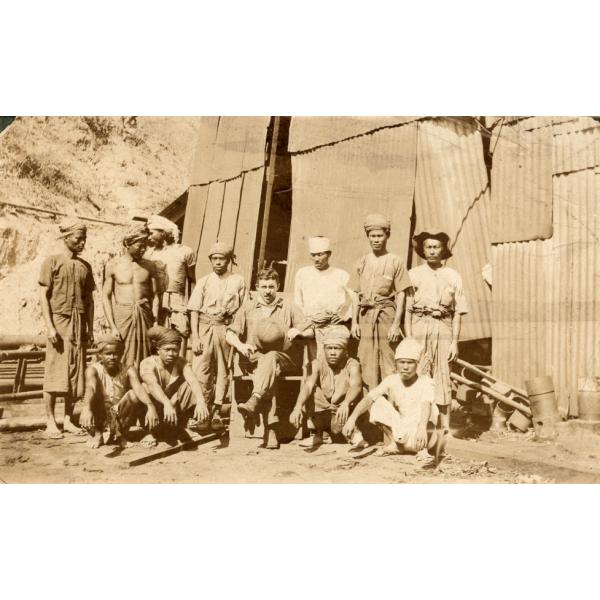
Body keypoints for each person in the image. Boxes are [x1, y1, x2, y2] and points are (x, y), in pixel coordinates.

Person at [225, 266, 312, 449]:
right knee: (268, 367)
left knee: (271, 358)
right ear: (257, 287)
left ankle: (257, 403)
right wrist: (241, 346)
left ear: (278, 286)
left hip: (285, 358)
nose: (267, 291)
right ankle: (270, 428)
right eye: (263, 287)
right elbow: (229, 334)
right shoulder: (248, 308)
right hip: (255, 358)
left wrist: (299, 331)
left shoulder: (289, 307)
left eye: (271, 287)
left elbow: (311, 330)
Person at [405, 228, 468, 435]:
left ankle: (444, 428)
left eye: (436, 247)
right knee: (419, 373)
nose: (432, 251)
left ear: (443, 250)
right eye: (428, 247)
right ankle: (417, 426)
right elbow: (407, 309)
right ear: (423, 250)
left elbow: (458, 312)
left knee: (442, 374)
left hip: (444, 327)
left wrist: (454, 342)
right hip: (419, 325)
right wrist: (409, 340)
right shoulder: (413, 275)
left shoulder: (453, 275)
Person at [39, 219, 96, 439]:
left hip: (79, 325)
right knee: (55, 371)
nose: (82, 243)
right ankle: (50, 421)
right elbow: (43, 297)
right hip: (59, 323)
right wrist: (50, 327)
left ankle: (68, 419)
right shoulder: (51, 262)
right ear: (66, 237)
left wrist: (90, 329)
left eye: (84, 239)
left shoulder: (85, 266)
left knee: (75, 373)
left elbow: (89, 300)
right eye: (78, 238)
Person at [342, 338, 439, 457]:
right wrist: (352, 419)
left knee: (428, 414)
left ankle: (422, 450)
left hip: (423, 433)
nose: (405, 367)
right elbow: (369, 398)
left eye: (410, 362)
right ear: (396, 363)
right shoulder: (392, 380)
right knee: (377, 402)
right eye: (401, 362)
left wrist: (422, 428)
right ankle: (395, 445)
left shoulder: (426, 382)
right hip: (404, 432)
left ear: (417, 364)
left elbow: (426, 405)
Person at [348, 213, 412, 390]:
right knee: (366, 359)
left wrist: (396, 324)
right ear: (367, 237)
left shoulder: (395, 261)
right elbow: (354, 294)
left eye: (380, 235)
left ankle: (391, 407)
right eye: (372, 236)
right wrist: (354, 322)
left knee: (388, 360)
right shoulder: (361, 262)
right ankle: (369, 411)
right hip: (365, 317)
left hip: (386, 316)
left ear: (387, 236)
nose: (376, 239)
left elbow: (401, 294)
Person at [118, 326, 210, 447]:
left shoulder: (181, 362)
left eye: (175, 350)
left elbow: (193, 380)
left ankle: (181, 426)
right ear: (158, 349)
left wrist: (201, 401)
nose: (171, 354)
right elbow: (152, 385)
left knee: (196, 387)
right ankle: (137, 432)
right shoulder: (147, 363)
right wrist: (166, 403)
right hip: (151, 409)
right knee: (132, 395)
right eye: (167, 350)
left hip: (170, 411)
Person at [188, 242, 246, 428]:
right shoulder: (204, 281)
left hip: (225, 327)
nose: (218, 262)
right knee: (201, 368)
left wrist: (235, 333)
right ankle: (201, 411)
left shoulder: (238, 280)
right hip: (205, 327)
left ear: (229, 260)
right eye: (214, 259)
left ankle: (217, 411)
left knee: (223, 369)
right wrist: (195, 337)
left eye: (222, 259)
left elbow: (242, 310)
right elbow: (194, 310)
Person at [289, 326, 366, 450]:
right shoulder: (318, 363)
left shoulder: (352, 364)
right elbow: (308, 385)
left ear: (345, 351)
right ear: (324, 350)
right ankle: (317, 434)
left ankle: (354, 432)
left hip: (343, 409)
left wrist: (346, 403)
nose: (332, 352)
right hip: (325, 409)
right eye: (329, 348)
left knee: (362, 391)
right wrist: (297, 407)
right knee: (310, 390)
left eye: (337, 348)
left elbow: (356, 385)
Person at [79, 334, 158, 449]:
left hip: (120, 415)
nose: (112, 357)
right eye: (107, 354)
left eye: (115, 353)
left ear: (121, 354)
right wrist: (86, 408)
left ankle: (121, 435)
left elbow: (138, 387)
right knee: (93, 395)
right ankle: (97, 434)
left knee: (134, 394)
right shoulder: (93, 370)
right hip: (99, 415)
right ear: (100, 355)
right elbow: (91, 387)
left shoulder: (128, 369)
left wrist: (150, 406)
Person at [102, 224, 161, 368]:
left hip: (144, 315)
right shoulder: (113, 265)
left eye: (145, 246)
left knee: (145, 352)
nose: (143, 249)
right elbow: (106, 297)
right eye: (139, 245)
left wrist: (155, 321)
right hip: (122, 316)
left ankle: (143, 384)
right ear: (127, 244)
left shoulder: (150, 266)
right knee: (122, 353)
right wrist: (113, 326)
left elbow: (156, 295)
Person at [293, 236, 354, 360]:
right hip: (310, 326)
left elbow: (355, 298)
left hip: (333, 326)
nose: (316, 259)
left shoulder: (341, 274)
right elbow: (297, 302)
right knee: (312, 365)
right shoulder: (302, 273)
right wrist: (308, 321)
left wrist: (346, 316)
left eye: (320, 255)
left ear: (329, 254)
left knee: (332, 362)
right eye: (313, 255)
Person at [145, 215, 196, 356]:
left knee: (180, 332)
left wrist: (191, 305)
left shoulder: (185, 252)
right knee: (158, 335)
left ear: (163, 232)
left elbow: (192, 280)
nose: (149, 237)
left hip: (177, 300)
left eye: (152, 233)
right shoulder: (149, 254)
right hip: (156, 301)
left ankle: (180, 369)